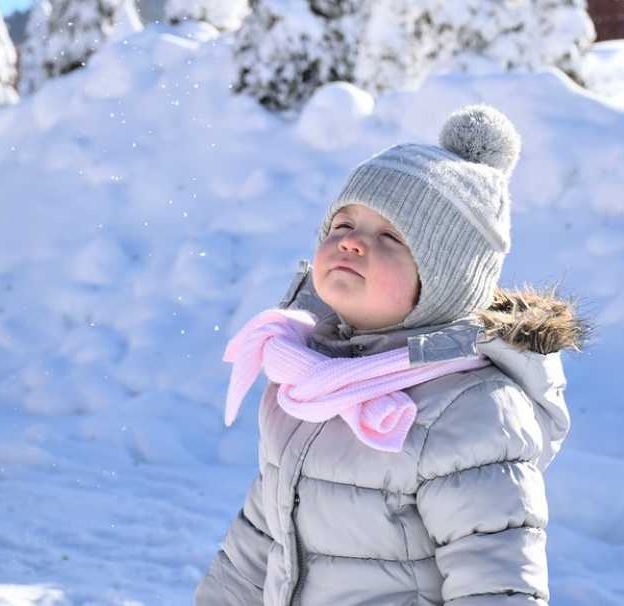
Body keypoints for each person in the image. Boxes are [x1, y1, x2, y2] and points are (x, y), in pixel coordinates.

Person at [195, 104, 588, 606]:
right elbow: (259, 542)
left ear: (444, 281)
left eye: (390, 237)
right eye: (342, 226)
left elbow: (498, 581)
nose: (353, 243)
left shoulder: (471, 408)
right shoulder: (310, 379)